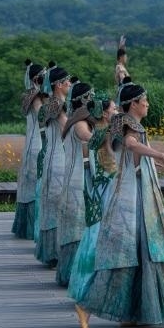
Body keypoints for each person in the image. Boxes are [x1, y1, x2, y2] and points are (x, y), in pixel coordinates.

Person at [73, 81, 164, 328]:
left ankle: (129, 311)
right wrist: (161, 155)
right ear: (133, 103)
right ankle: (85, 305)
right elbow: (131, 144)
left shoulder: (120, 122)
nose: (147, 104)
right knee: (124, 254)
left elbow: (129, 156)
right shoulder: (126, 123)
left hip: (131, 194)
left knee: (134, 253)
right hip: (129, 198)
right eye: (144, 100)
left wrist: (151, 162)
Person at [68, 96, 118, 317]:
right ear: (104, 113)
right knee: (97, 239)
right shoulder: (102, 134)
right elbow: (111, 165)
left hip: (101, 190)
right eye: (113, 108)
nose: (116, 110)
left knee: (95, 238)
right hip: (104, 192)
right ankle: (88, 294)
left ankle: (89, 293)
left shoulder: (101, 132)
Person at [56, 81, 97, 287]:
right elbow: (87, 137)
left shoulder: (79, 118)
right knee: (77, 226)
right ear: (85, 99)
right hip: (76, 180)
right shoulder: (80, 121)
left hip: (77, 177)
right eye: (92, 96)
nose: (95, 99)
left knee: (80, 224)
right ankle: (75, 274)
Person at [36, 65, 71, 267]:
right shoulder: (58, 105)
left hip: (52, 157)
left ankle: (52, 251)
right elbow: (68, 128)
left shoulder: (50, 103)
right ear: (58, 85)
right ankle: (57, 252)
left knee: (53, 204)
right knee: (59, 204)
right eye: (67, 81)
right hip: (58, 160)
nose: (69, 84)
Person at [13, 59, 45, 239]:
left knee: (31, 183)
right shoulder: (36, 96)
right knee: (35, 184)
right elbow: (42, 115)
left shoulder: (32, 94)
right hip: (37, 143)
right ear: (36, 79)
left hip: (32, 142)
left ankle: (28, 226)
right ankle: (33, 227)